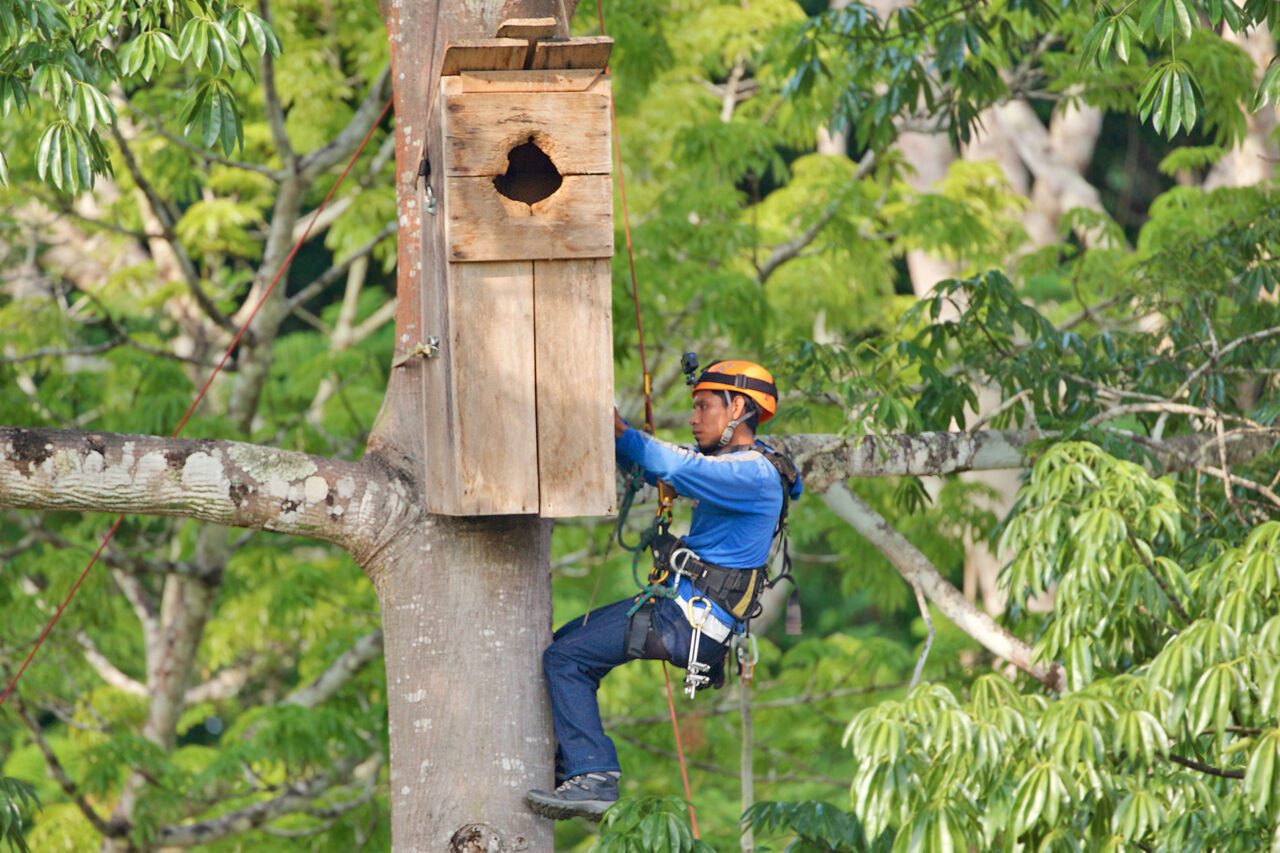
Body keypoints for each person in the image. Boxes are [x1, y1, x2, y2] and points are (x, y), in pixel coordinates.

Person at [525, 360, 803, 821]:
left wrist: (620, 432)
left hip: (686, 619)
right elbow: (667, 470)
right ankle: (573, 764)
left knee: (565, 659)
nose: (693, 418)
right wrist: (621, 438)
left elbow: (675, 464)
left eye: (702, 406)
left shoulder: (750, 474)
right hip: (681, 611)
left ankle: (594, 775)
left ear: (737, 408)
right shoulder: (738, 467)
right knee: (564, 644)